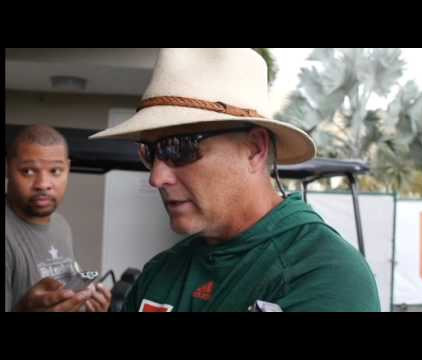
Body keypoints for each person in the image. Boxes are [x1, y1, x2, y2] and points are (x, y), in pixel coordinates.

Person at [90, 48, 381, 312]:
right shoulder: (163, 271)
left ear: (255, 149)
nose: (156, 177)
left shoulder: (326, 275)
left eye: (179, 148)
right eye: (150, 152)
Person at [5, 124, 111, 312]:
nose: (43, 184)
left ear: (67, 169)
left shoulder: (61, 225)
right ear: (8, 168)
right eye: (28, 171)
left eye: (55, 171)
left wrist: (85, 304)